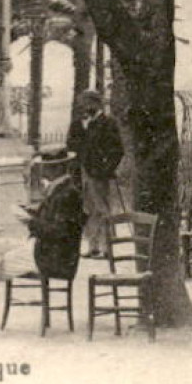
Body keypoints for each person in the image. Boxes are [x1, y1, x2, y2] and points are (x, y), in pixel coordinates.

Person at [0, 145, 84, 334]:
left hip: (53, 256)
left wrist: (31, 221)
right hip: (41, 247)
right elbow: (53, 222)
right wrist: (32, 211)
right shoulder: (59, 190)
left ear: (58, 168)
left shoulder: (68, 194)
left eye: (47, 166)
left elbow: (60, 233)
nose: (43, 170)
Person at [65, 89, 125, 258]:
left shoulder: (108, 123)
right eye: (82, 104)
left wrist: (107, 169)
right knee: (88, 209)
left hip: (99, 174)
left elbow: (118, 150)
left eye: (87, 103)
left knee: (102, 209)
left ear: (96, 104)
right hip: (83, 172)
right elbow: (71, 145)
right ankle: (93, 247)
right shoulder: (80, 124)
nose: (84, 107)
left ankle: (107, 247)